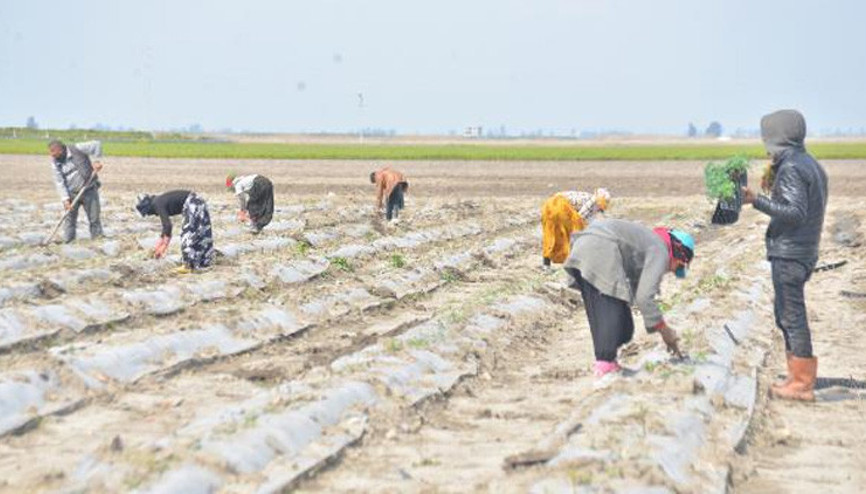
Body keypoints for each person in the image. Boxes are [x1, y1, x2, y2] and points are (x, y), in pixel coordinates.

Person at [742, 109, 828, 402]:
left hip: (791, 252)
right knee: (786, 313)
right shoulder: (808, 163)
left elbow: (794, 212)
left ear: (777, 137)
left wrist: (757, 201)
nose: (765, 145)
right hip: (803, 250)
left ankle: (802, 383)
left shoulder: (792, 167)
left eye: (767, 138)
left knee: (791, 315)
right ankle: (796, 374)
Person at [563, 219, 694, 377]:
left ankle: (607, 363)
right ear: (678, 251)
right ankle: (605, 368)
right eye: (678, 267)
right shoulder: (661, 250)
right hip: (600, 250)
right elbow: (644, 296)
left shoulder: (647, 241)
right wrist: (665, 330)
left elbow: (635, 287)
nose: (672, 271)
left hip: (582, 248)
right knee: (611, 316)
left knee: (624, 327)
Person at [135, 190, 214, 274]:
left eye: (147, 213)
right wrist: (158, 246)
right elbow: (165, 229)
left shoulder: (157, 204)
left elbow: (167, 226)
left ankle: (188, 265)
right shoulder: (159, 200)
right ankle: (204, 262)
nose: (152, 214)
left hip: (192, 203)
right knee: (201, 232)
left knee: (188, 234)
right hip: (199, 201)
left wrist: (163, 247)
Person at [48, 139, 104, 243]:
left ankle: (97, 240)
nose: (52, 155)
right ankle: (68, 241)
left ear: (60, 150)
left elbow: (97, 144)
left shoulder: (77, 148)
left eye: (53, 151)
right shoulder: (55, 163)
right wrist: (65, 199)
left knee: (94, 218)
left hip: (89, 189)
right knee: (69, 220)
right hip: (71, 193)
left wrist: (96, 161)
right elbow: (59, 182)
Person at [541, 188, 611, 267]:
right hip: (559, 206)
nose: (600, 209)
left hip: (549, 206)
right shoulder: (593, 201)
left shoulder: (590, 199)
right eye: (601, 207)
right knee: (570, 235)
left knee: (551, 235)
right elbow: (580, 218)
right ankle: (573, 263)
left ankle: (546, 265)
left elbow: (587, 219)